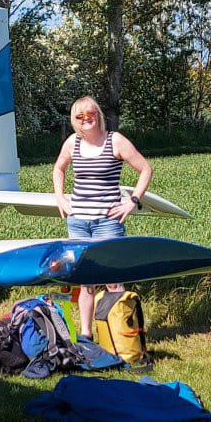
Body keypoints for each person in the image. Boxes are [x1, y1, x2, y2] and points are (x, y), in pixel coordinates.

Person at [50, 96, 153, 344]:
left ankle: (120, 337)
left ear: (98, 115)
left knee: (113, 280)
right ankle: (86, 335)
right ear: (74, 120)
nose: (86, 119)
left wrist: (132, 201)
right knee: (86, 280)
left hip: (108, 223)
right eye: (80, 116)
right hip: (78, 222)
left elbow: (145, 169)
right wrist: (60, 197)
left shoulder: (115, 141)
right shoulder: (72, 143)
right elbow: (59, 168)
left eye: (90, 114)